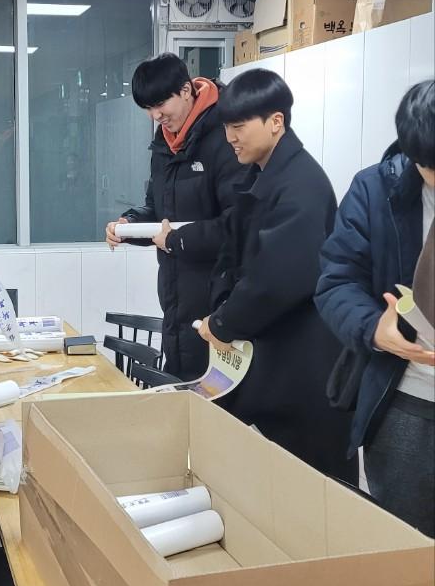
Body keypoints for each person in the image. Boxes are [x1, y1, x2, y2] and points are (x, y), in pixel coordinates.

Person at [197, 68, 355, 484]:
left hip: (302, 365)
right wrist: (221, 308)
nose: (230, 137)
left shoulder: (302, 184)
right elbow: (232, 251)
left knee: (309, 486)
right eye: (226, 127)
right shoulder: (260, 174)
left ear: (276, 122)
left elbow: (277, 280)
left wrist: (223, 322)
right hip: (273, 356)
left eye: (239, 126)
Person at [316, 80, 435, 536]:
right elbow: (336, 281)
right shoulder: (374, 190)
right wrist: (373, 330)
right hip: (407, 400)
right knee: (403, 544)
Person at [105, 54, 238, 380]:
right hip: (176, 296)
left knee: (214, 395)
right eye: (148, 109)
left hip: (220, 300)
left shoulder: (226, 135)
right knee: (181, 388)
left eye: (161, 104)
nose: (155, 116)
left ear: (186, 90)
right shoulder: (164, 144)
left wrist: (177, 241)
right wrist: (129, 225)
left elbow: (238, 225)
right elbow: (157, 210)